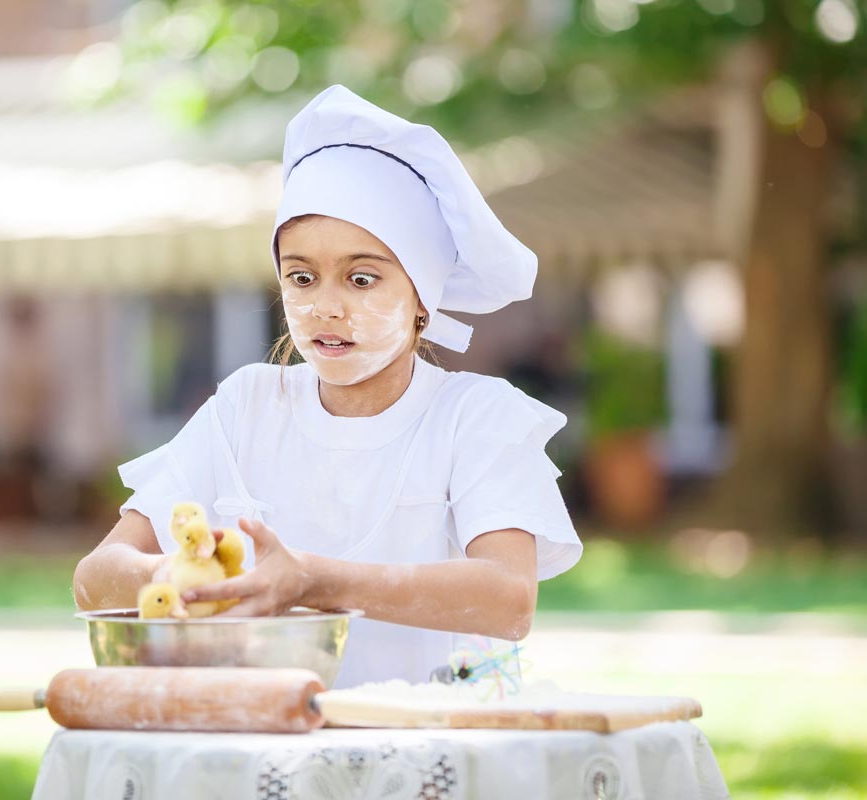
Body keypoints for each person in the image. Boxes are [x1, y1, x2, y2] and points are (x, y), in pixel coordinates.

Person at [72, 85, 582, 688]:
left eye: (362, 279)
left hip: (426, 743)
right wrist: (191, 576)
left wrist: (313, 579)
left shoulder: (474, 418)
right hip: (267, 736)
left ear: (423, 296)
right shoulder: (246, 408)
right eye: (302, 278)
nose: (325, 307)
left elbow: (508, 600)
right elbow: (96, 575)